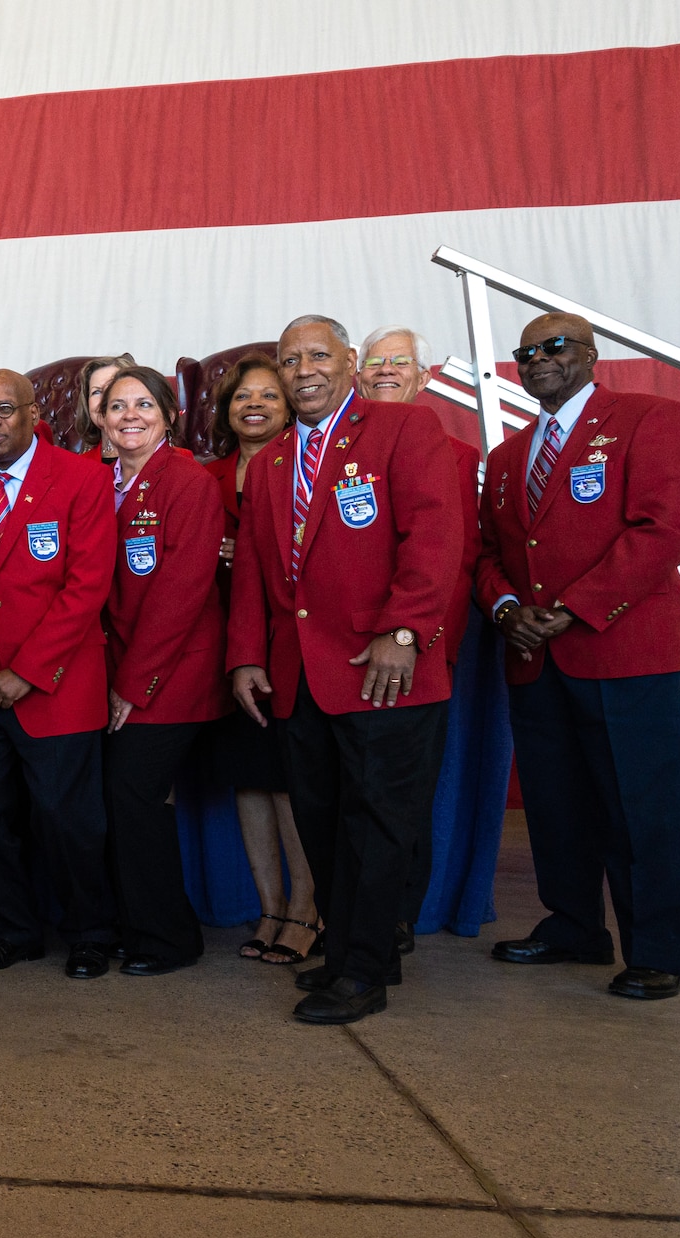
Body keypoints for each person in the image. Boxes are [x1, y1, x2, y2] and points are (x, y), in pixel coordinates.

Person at [229, 315, 460, 1025]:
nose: (303, 369)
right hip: (300, 679)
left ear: (350, 362)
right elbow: (255, 578)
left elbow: (435, 534)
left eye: (318, 355)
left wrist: (404, 628)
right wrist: (245, 656)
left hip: (380, 669)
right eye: (289, 358)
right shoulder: (270, 463)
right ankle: (355, 952)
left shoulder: (402, 431)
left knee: (378, 825)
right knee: (324, 825)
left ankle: (363, 971)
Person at [476, 313, 680, 999]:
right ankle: (574, 925)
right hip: (534, 655)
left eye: (554, 346)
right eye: (526, 352)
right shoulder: (509, 456)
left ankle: (660, 948)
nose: (539, 358)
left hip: (622, 647)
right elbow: (490, 553)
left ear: (590, 354)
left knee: (643, 805)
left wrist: (573, 608)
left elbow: (664, 528)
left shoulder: (649, 418)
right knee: (555, 803)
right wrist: (508, 610)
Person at [0, 370, 117, 974]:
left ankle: (91, 931)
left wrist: (27, 672)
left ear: (35, 414)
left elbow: (87, 588)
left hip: (56, 687)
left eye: (3, 410)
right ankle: (13, 929)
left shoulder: (83, 478)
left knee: (68, 819)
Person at [357, 325, 484, 951]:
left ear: (425, 376)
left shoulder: (456, 455)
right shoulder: (326, 449)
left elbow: (454, 560)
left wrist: (423, 642)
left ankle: (400, 915)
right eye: (375, 362)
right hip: (344, 653)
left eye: (399, 363)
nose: (386, 371)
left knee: (404, 796)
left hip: (417, 652)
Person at [99, 367, 227, 974]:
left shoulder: (188, 481)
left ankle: (169, 939)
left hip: (172, 671)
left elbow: (181, 594)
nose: (129, 415)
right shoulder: (103, 482)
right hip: (122, 664)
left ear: (168, 416)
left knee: (133, 793)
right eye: (117, 405)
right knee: (122, 798)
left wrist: (131, 685)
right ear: (100, 418)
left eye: (143, 404)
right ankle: (138, 926)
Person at [203, 354, 318, 964]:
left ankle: (307, 907)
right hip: (223, 643)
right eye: (242, 396)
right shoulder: (207, 475)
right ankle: (269, 907)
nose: (254, 405)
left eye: (269, 396)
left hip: (293, 643)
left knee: (288, 783)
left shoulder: (310, 462)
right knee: (248, 779)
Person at [72, 354, 138, 461]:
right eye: (96, 392)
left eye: (114, 388)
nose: (105, 399)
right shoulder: (78, 466)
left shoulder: (166, 461)